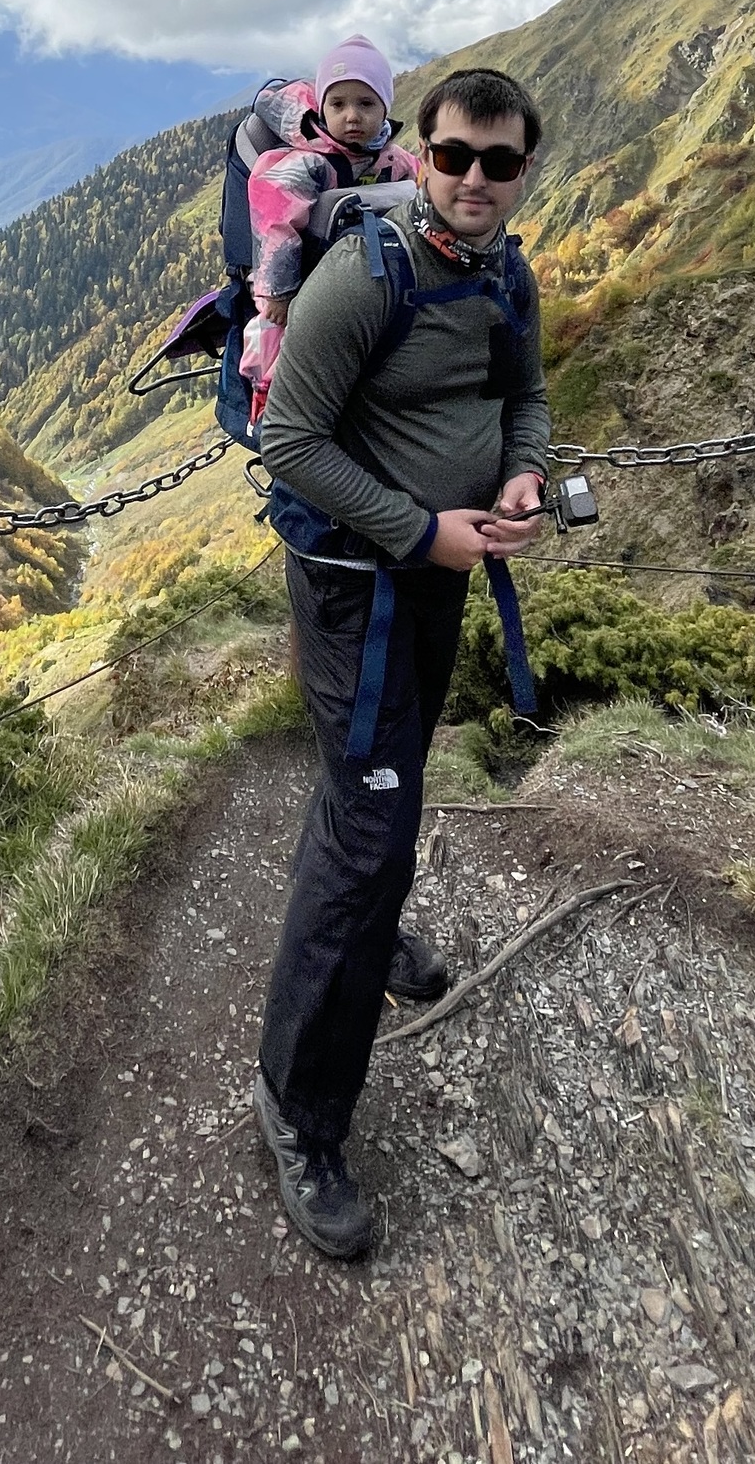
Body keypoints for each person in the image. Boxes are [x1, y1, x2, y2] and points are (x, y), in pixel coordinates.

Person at [250, 63, 550, 1258]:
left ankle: (368, 935)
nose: (474, 179)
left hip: (440, 577)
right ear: (418, 156)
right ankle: (297, 1108)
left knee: (382, 782)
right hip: (354, 587)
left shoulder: (504, 272)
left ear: (523, 171)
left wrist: (519, 474)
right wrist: (423, 528)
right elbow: (288, 439)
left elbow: (520, 395)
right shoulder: (360, 273)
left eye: (499, 161)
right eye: (453, 155)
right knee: (371, 816)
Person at [236, 35, 421, 425]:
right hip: (298, 284)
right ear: (322, 107)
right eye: (338, 104)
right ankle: (268, 403)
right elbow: (276, 226)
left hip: (364, 279)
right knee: (275, 339)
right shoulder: (304, 164)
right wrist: (278, 293)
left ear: (385, 108)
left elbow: (427, 193)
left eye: (366, 104)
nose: (352, 116)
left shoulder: (395, 160)